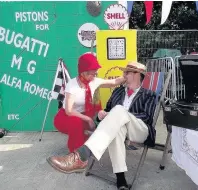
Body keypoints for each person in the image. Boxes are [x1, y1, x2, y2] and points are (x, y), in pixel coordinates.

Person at [47, 61, 157, 190]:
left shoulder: (149, 94)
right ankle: (121, 180)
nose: (124, 74)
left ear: (137, 75)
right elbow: (108, 110)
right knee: (117, 129)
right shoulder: (118, 92)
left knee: (119, 111)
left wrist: (122, 115)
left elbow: (147, 117)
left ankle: (82, 155)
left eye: (127, 72)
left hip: (139, 130)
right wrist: (101, 114)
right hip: (118, 128)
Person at [54, 53, 126, 153]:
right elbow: (69, 111)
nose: (94, 75)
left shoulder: (94, 81)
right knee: (77, 124)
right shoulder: (72, 85)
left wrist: (127, 75)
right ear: (83, 72)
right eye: (92, 73)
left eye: (95, 73)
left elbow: (114, 82)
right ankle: (75, 154)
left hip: (83, 118)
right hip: (65, 117)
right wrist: (88, 119)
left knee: (91, 134)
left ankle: (82, 145)